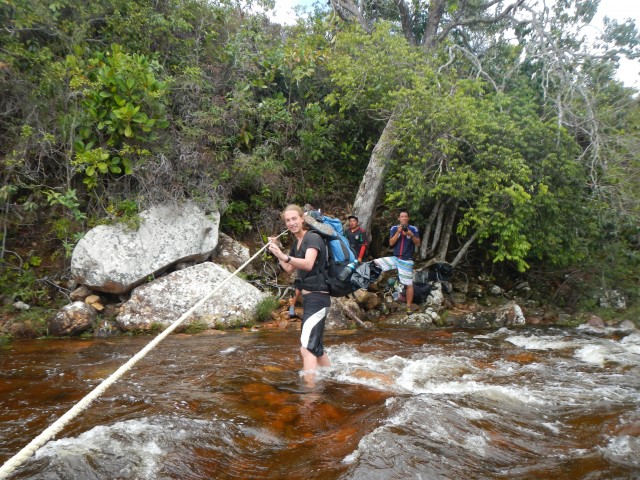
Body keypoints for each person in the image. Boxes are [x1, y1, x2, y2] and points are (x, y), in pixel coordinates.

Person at [268, 204, 331, 386]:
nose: (291, 223)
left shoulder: (313, 238)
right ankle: (332, 378)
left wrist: (284, 256)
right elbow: (288, 269)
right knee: (316, 348)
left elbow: (309, 264)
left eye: (294, 219)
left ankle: (309, 391)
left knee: (306, 347)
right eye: (287, 220)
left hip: (318, 298)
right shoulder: (297, 243)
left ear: (302, 219)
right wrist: (277, 251)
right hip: (310, 298)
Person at [373, 209, 421, 313]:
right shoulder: (394, 228)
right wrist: (398, 232)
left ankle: (408, 307)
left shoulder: (413, 228)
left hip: (407, 260)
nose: (404, 218)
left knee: (409, 284)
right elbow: (391, 242)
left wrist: (411, 234)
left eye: (405, 216)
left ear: (408, 218)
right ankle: (367, 285)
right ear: (399, 218)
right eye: (402, 216)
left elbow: (418, 243)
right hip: (395, 258)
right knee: (375, 263)